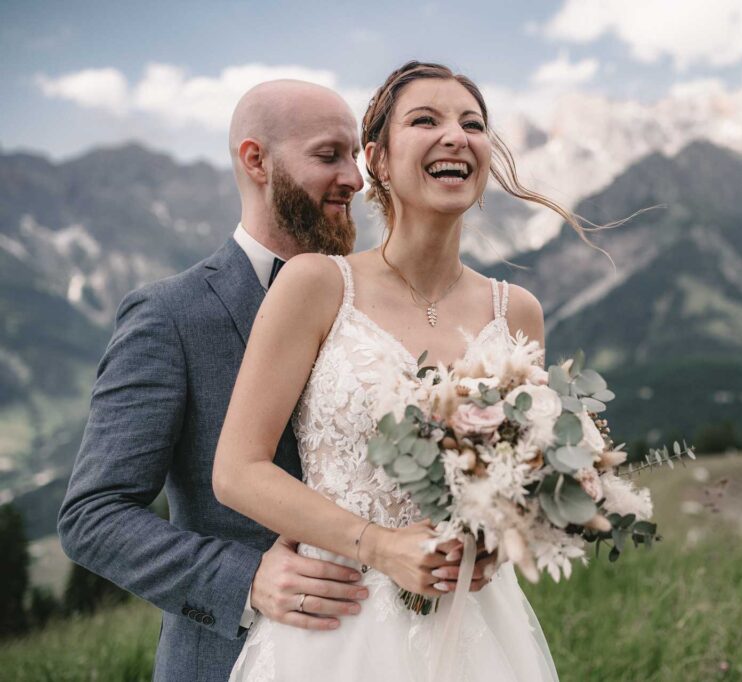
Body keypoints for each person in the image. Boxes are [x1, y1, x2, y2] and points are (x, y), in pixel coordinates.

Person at [57, 80, 472, 681]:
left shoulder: (384, 304)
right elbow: (91, 515)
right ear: (256, 161)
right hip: (232, 661)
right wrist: (244, 578)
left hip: (406, 648)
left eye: (356, 157)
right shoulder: (170, 315)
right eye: (329, 157)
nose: (355, 180)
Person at [213, 61, 600, 681]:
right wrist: (379, 545)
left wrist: (493, 546)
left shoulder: (517, 312)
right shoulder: (316, 284)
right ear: (380, 162)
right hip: (339, 624)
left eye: (473, 124)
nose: (456, 135)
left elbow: (514, 482)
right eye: (426, 120)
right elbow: (237, 472)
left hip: (473, 627)